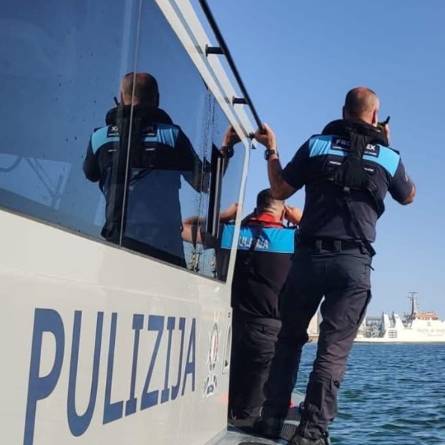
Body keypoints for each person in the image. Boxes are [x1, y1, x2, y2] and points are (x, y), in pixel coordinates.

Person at [253, 87, 415, 445]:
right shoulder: (389, 157)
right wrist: (385, 144)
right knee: (332, 352)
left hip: (308, 259)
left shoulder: (316, 145)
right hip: (353, 263)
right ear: (376, 117)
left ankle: (271, 420)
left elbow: (278, 190)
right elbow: (408, 196)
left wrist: (272, 149)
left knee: (288, 341)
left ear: (344, 112)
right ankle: (311, 434)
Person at [183, 190, 302, 421]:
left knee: (228, 405)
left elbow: (181, 227)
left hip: (229, 330)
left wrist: (222, 216)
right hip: (269, 333)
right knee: (251, 412)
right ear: (283, 212)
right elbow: (325, 237)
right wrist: (299, 219)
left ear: (256, 209)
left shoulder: (228, 234)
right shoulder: (292, 239)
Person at [83, 72, 202, 267]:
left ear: (121, 97)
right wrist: (226, 149)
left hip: (117, 241)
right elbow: (203, 183)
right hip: (165, 248)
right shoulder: (173, 136)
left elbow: (90, 174)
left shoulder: (99, 137)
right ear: (157, 99)